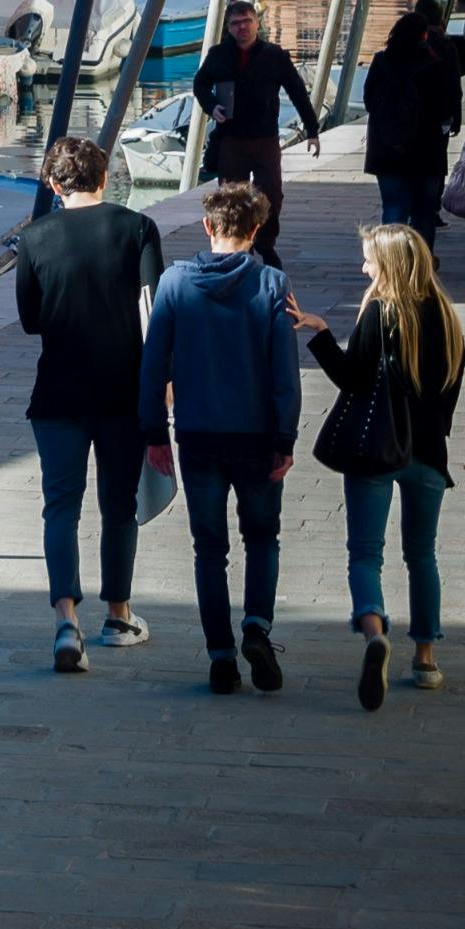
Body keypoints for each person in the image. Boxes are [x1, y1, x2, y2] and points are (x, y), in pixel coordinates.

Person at [138, 180, 303, 695]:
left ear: (207, 227)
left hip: (199, 435)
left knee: (209, 548)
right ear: (256, 231)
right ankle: (257, 626)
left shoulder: (174, 283)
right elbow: (285, 375)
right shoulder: (272, 285)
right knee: (262, 538)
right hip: (256, 436)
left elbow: (152, 366)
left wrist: (153, 433)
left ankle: (221, 657)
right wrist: (285, 439)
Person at [292, 224, 465, 710]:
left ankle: (373, 633)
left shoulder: (379, 313)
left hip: (375, 452)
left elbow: (351, 378)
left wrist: (323, 333)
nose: (363, 267)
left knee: (366, 554)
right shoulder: (448, 319)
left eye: (369, 260)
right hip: (428, 457)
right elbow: (448, 400)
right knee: (422, 555)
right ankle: (426, 659)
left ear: (388, 266)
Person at [12, 135, 165, 674]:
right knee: (119, 505)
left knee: (61, 505)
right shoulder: (138, 229)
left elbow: (31, 320)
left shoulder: (33, 238)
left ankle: (65, 620)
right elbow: (156, 311)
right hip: (123, 392)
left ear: (55, 185)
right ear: (105, 179)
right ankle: (119, 615)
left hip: (57, 392)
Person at [193, 2, 321, 264]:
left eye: (247, 21)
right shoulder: (218, 54)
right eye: (235, 23)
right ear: (228, 28)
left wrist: (312, 129)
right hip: (232, 136)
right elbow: (200, 84)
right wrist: (211, 105)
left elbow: (297, 91)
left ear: (257, 23)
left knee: (271, 193)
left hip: (265, 137)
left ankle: (264, 242)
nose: (242, 27)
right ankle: (240, 245)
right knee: (231, 197)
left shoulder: (275, 55)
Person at [357, 0, 463, 241]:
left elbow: (369, 99)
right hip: (426, 150)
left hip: (387, 148)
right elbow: (446, 103)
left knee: (394, 208)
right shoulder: (434, 65)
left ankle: (391, 262)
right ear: (423, 37)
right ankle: (421, 264)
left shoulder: (381, 62)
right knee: (424, 212)